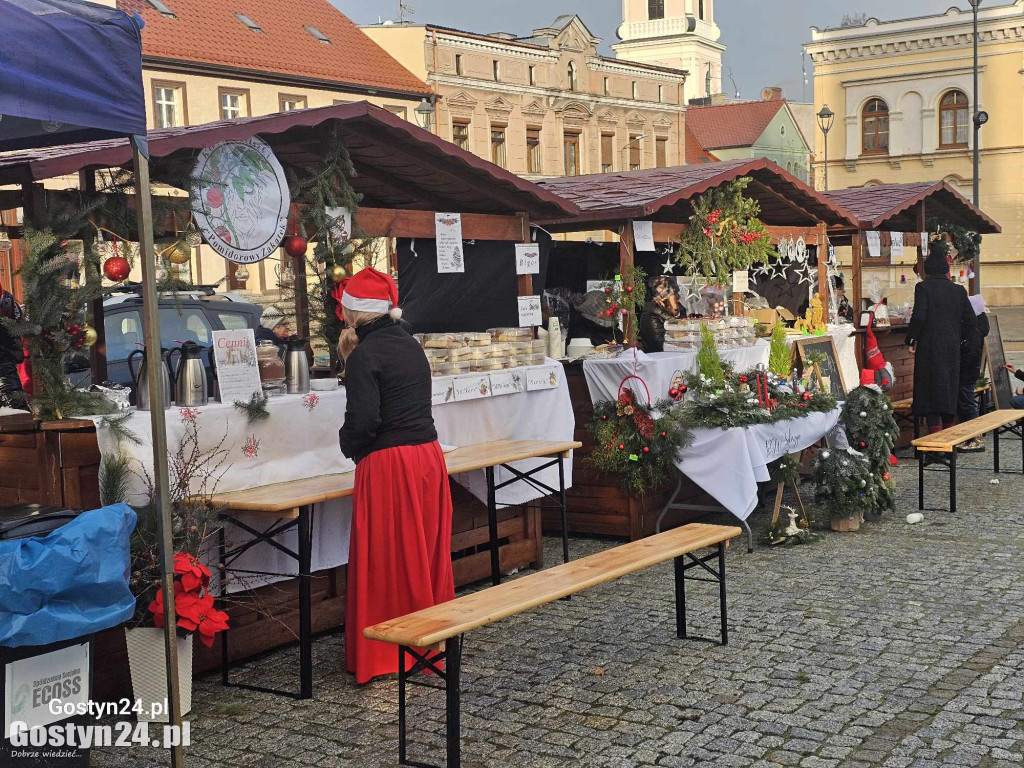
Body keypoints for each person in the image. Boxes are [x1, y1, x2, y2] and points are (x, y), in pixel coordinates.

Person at [337, 267, 454, 684]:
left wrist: (347, 444)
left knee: (388, 555)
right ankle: (429, 636)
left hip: (390, 464)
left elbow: (364, 422)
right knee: (422, 550)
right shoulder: (411, 345)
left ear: (354, 314)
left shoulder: (365, 356)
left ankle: (388, 651)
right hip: (426, 457)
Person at [906, 242, 976, 434]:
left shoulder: (923, 288)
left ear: (927, 270)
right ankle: (947, 442)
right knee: (947, 394)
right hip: (951, 349)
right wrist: (958, 337)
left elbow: (919, 316)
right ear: (946, 270)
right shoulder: (958, 291)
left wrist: (911, 340)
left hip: (929, 348)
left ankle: (935, 444)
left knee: (930, 395)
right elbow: (971, 321)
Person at [957, 295, 990, 451]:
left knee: (968, 406)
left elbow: (968, 354)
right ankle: (969, 438)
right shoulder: (979, 327)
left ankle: (976, 439)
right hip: (970, 372)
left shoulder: (972, 331)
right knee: (966, 405)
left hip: (966, 373)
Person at [0, 283, 27, 410]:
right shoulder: (8, 299)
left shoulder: (8, 300)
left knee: (18, 413)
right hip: (9, 366)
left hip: (6, 366)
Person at [639, 276, 682, 353]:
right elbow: (659, 347)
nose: (678, 297)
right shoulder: (651, 317)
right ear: (664, 297)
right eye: (674, 294)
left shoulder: (674, 313)